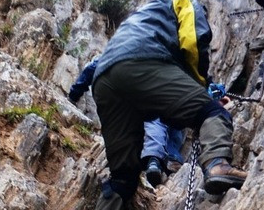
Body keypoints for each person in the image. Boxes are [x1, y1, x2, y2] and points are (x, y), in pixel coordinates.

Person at [65, 0, 246, 210]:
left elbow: (167, 110)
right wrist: (204, 93)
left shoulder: (138, 21)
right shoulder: (182, 2)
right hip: (142, 64)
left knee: (123, 174)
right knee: (209, 112)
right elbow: (193, 42)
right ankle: (217, 165)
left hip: (106, 80)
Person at [68, 60, 184, 189]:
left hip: (122, 97)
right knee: (158, 118)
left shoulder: (122, 50)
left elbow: (94, 66)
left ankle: (132, 161)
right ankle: (156, 161)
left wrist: (74, 94)